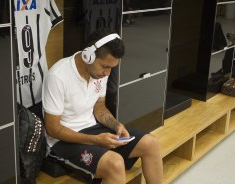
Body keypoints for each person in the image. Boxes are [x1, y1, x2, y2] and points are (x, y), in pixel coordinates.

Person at [42, 29, 163, 184]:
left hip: (92, 129)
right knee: (115, 163)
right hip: (62, 142)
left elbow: (99, 107)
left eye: (111, 68)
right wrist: (95, 140)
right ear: (88, 56)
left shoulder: (99, 73)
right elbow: (53, 129)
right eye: (105, 66)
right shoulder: (57, 76)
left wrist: (116, 125)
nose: (107, 73)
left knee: (151, 144)